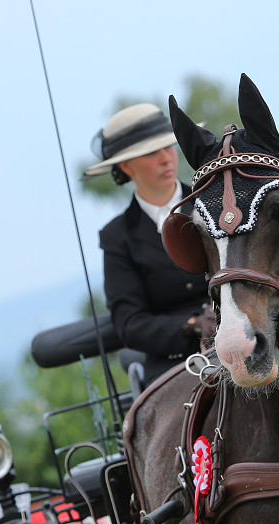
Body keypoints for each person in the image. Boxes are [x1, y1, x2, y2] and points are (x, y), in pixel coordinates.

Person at [84, 103, 210, 387]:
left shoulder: (214, 201)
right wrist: (191, 325)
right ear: (126, 166)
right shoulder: (117, 237)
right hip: (174, 366)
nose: (166, 158)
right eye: (152, 153)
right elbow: (130, 323)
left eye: (168, 147)